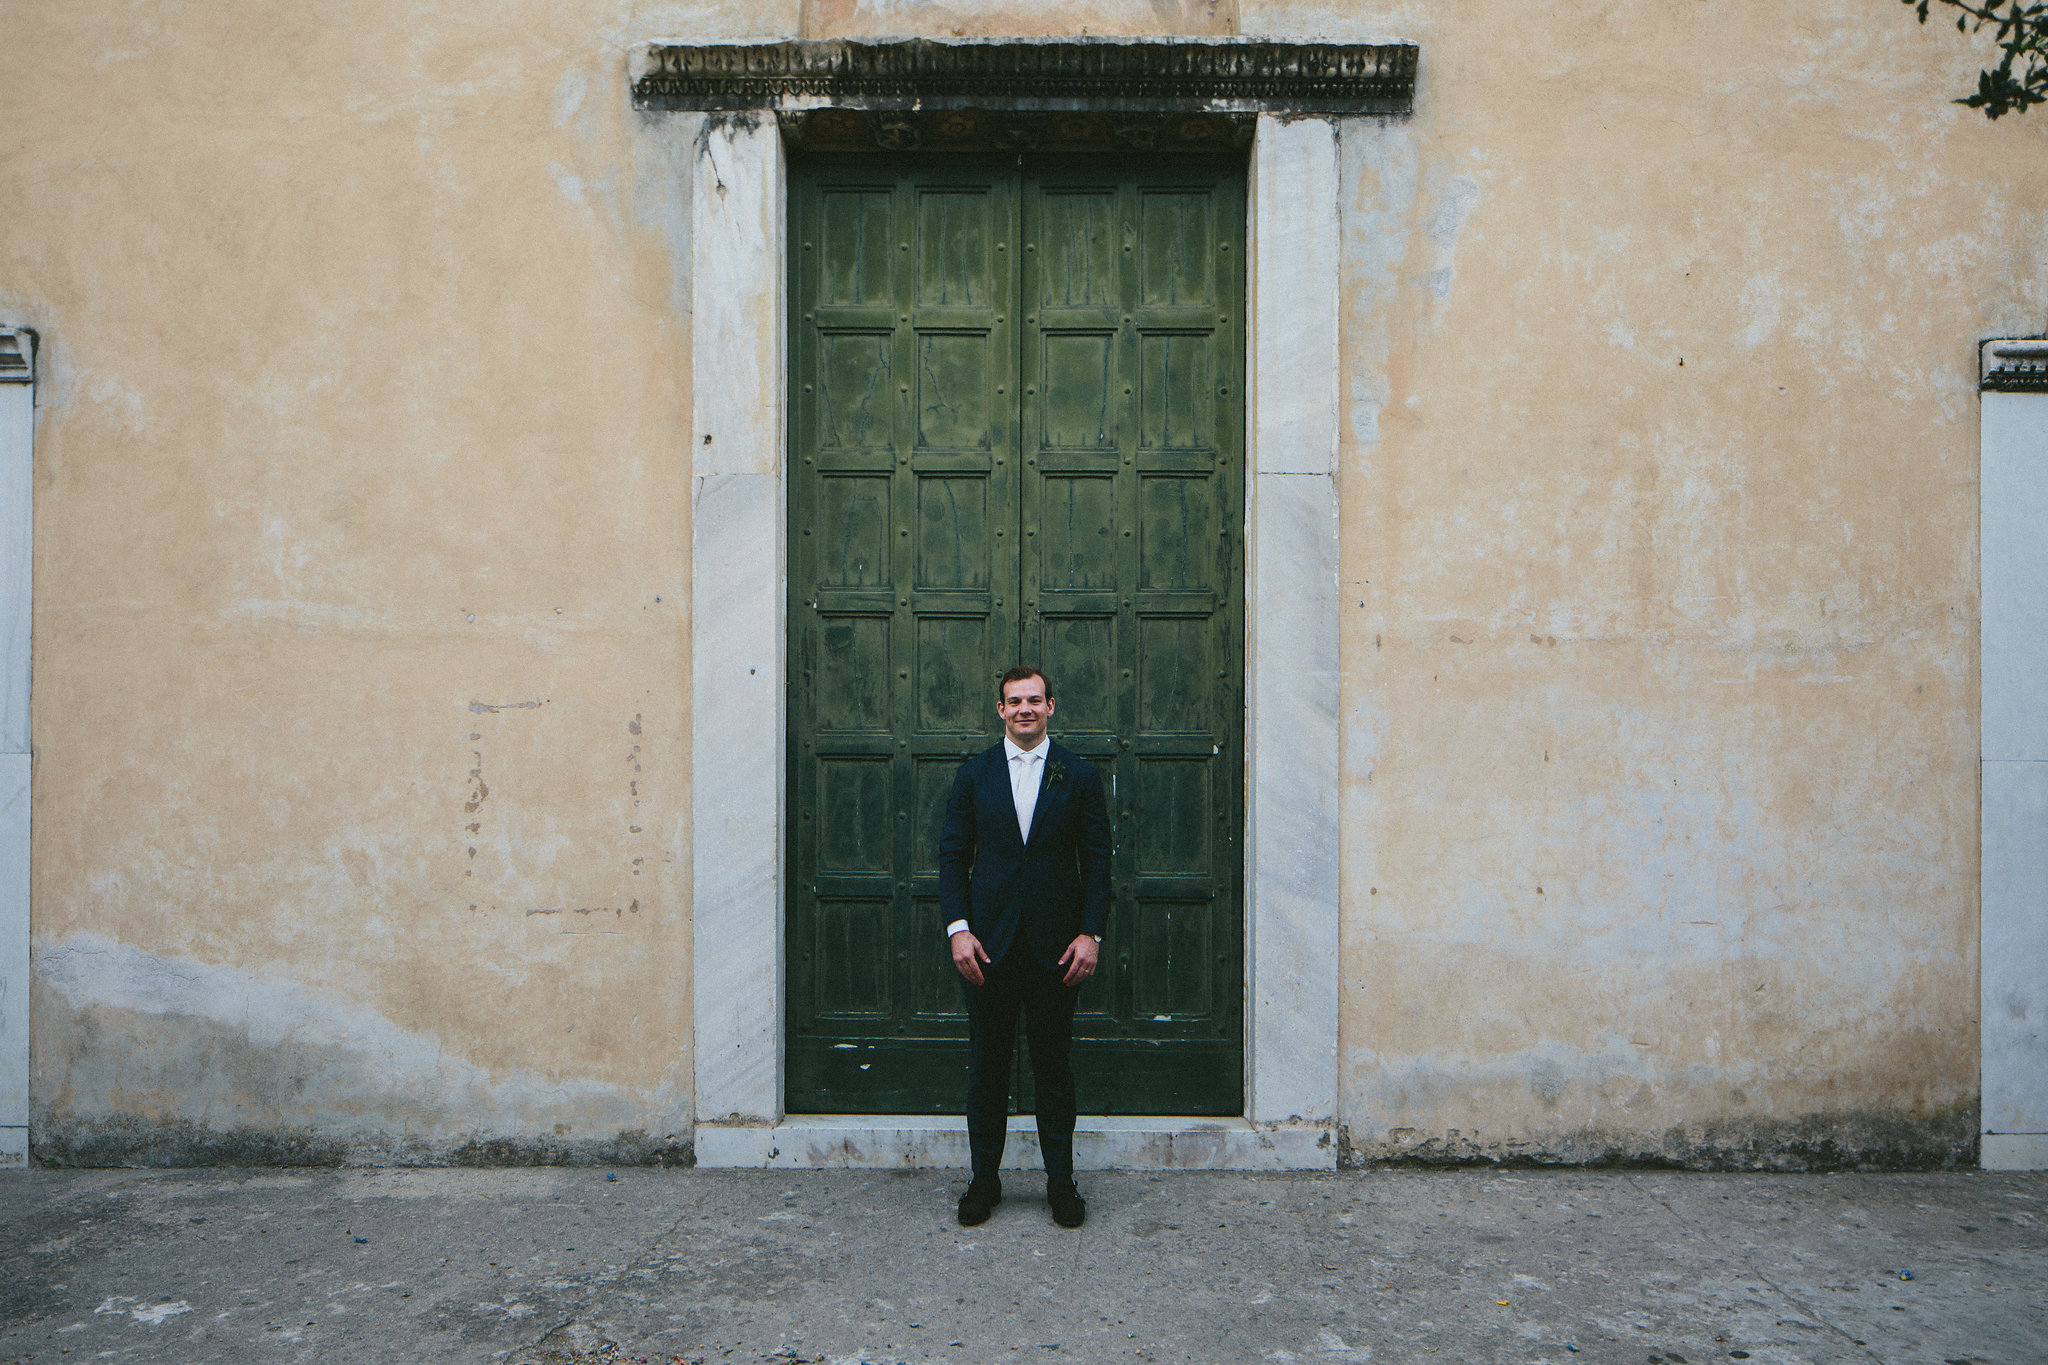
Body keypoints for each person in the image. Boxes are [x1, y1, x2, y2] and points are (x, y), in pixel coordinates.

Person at [938, 665, 1112, 1228]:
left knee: (1054, 1069)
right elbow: (952, 856)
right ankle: (984, 1180)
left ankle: (1061, 1184)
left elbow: (1099, 860)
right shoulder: (974, 774)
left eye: (1035, 700)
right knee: (987, 1068)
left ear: (1052, 707)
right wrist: (958, 928)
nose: (1025, 710)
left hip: (1056, 950)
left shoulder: (1078, 775)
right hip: (987, 947)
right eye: (1015, 702)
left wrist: (1091, 933)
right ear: (1000, 710)